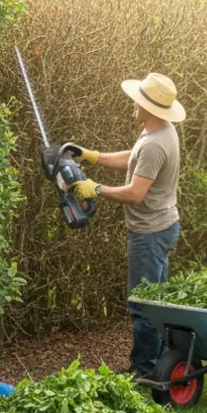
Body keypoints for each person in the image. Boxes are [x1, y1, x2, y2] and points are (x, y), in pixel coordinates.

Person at [67, 73, 185, 378]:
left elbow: (135, 193)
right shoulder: (159, 131)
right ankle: (159, 364)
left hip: (150, 233)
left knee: (143, 305)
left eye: (139, 100)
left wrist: (95, 189)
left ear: (149, 106)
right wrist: (93, 157)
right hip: (161, 226)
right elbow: (133, 159)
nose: (134, 103)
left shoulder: (156, 143)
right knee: (155, 302)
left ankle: (143, 371)